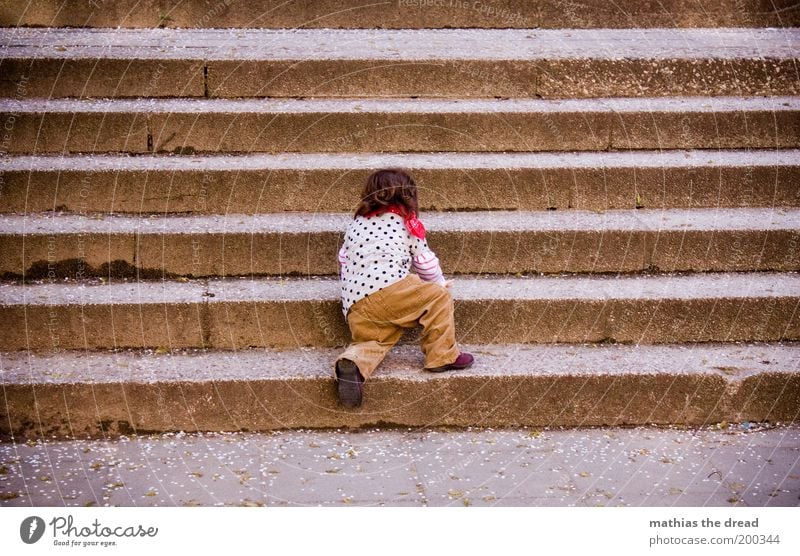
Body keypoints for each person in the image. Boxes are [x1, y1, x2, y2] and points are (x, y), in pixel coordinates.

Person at [334, 168, 474, 407]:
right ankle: (442, 355)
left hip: (356, 303)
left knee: (375, 340)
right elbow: (424, 262)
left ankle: (353, 364)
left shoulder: (355, 224)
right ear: (408, 196)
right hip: (391, 287)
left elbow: (343, 259)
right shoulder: (407, 222)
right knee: (437, 298)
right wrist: (439, 284)